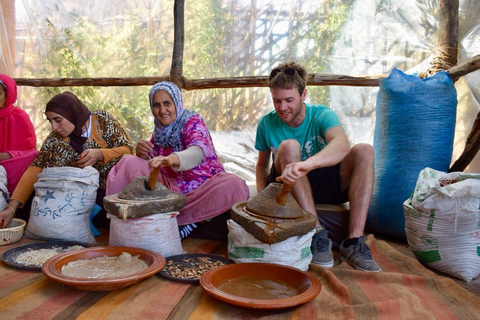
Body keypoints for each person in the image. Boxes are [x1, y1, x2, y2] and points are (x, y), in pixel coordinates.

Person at [255, 62, 381, 272]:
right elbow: (261, 166)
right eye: (276, 101)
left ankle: (353, 242)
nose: (282, 107)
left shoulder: (321, 115)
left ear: (304, 94)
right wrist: (262, 199)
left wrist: (306, 165)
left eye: (289, 100)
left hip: (323, 182)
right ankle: (316, 234)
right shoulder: (266, 123)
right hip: (288, 186)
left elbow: (341, 145)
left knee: (365, 150)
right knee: (289, 146)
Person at [106, 81, 249, 241]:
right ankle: (134, 216)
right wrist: (142, 154)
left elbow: (198, 151)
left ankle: (194, 221)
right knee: (128, 162)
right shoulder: (159, 131)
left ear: (177, 102)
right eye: (156, 105)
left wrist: (174, 159)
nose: (162, 110)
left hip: (204, 187)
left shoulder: (193, 122)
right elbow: (153, 162)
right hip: (170, 189)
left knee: (235, 184)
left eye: (167, 103)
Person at [0, 91, 133, 229]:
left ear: (72, 112)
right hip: (72, 197)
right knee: (34, 201)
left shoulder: (101, 120)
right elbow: (35, 168)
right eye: (50, 121)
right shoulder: (54, 139)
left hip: (105, 193)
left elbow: (127, 149)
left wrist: (100, 154)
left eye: (58, 120)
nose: (54, 127)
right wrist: (11, 208)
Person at [0, 74, 38, 199]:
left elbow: (29, 153)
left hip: (12, 167)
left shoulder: (20, 117)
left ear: (8, 95)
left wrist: (6, 156)